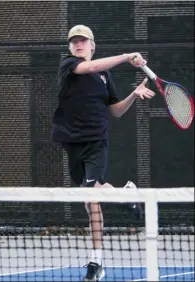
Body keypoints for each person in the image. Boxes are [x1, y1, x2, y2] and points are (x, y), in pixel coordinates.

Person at [51, 25, 155, 282]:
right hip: (72, 143)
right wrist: (126, 56)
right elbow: (90, 67)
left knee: (90, 198)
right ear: (70, 47)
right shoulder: (69, 65)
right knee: (92, 192)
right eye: (74, 42)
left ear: (92, 45)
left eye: (83, 41)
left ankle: (96, 261)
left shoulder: (105, 76)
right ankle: (124, 194)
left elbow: (116, 111)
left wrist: (133, 94)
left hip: (96, 140)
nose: (78, 45)